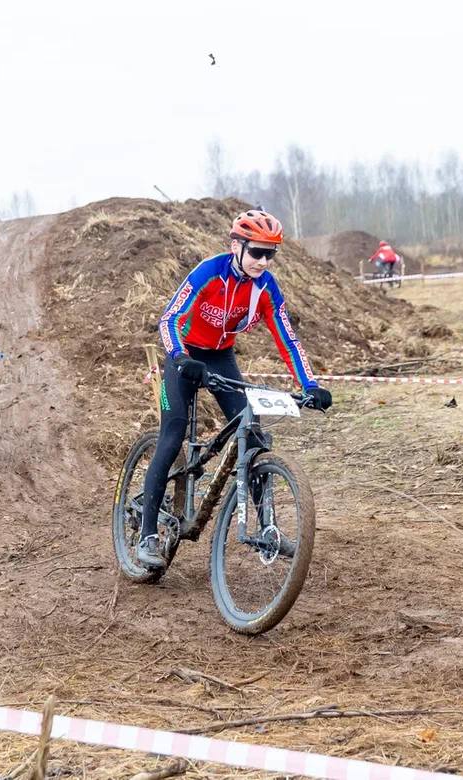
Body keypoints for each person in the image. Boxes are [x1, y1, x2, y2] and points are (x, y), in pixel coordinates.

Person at [137, 209, 332, 569]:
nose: (262, 260)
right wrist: (179, 357)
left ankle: (267, 529)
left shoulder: (265, 288)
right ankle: (147, 534)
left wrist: (310, 384)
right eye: (256, 251)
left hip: (221, 357)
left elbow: (287, 339)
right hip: (185, 355)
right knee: (173, 433)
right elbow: (169, 319)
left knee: (253, 434)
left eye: (270, 253)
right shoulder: (209, 272)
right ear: (236, 246)